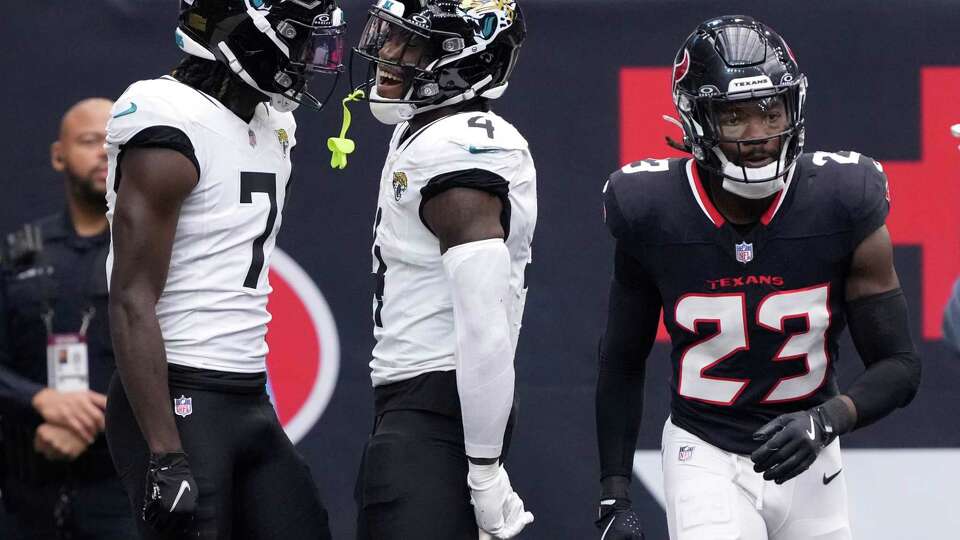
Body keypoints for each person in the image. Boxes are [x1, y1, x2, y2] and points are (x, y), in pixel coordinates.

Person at [595, 15, 922, 540]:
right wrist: (615, 489)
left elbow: (900, 366)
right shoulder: (650, 209)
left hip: (811, 453)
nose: (759, 136)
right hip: (704, 448)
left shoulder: (842, 198)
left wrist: (826, 420)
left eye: (771, 111)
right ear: (697, 121)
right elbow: (623, 359)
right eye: (734, 117)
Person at [101, 1, 345, 538]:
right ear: (242, 32)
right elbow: (131, 297)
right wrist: (165, 452)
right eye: (296, 39)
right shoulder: (167, 113)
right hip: (177, 391)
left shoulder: (274, 121)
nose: (311, 57)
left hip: (247, 393)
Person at [350, 1, 536, 538]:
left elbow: (482, 324)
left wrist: (484, 472)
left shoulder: (457, 148)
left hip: (437, 411)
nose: (387, 53)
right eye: (391, 37)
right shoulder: (430, 130)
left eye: (411, 43)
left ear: (465, 58)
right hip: (433, 408)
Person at [0, 98, 138, 539]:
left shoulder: (151, 250)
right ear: (59, 155)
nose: (103, 152)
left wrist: (97, 417)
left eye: (114, 142)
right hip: (26, 486)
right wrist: (42, 401)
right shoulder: (19, 253)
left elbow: (183, 358)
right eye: (89, 141)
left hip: (123, 488)